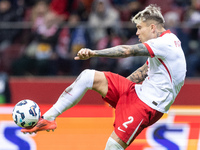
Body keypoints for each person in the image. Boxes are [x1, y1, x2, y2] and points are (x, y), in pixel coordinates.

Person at [21, 4, 187, 150]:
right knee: (88, 76)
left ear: (152, 28)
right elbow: (145, 70)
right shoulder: (166, 43)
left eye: (139, 28)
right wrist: (120, 93)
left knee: (112, 147)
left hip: (147, 107)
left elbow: (127, 51)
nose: (137, 32)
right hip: (136, 92)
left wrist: (94, 53)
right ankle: (48, 118)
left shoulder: (165, 43)